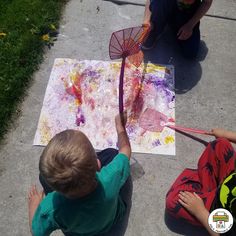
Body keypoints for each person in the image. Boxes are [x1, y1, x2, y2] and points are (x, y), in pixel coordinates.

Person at [27, 113, 131, 236]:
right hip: (112, 220)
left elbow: (36, 233)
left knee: (43, 177)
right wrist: (120, 127)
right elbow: (125, 149)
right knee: (112, 154)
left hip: (76, 231)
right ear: (98, 165)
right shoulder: (110, 179)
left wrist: (34, 205)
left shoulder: (51, 208)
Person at [166, 128, 236, 235]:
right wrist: (226, 134)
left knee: (173, 201)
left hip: (222, 213)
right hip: (229, 180)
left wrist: (201, 212)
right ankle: (207, 187)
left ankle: (205, 197)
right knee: (221, 144)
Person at [143, 0, 213, 58]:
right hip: (167, 4)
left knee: (190, 53)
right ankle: (156, 27)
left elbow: (207, 2)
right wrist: (147, 20)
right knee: (159, 3)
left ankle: (172, 25)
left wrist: (190, 25)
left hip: (188, 12)